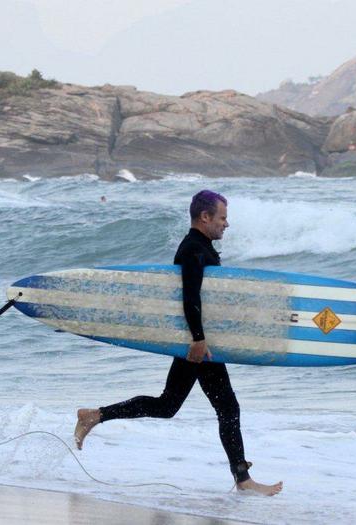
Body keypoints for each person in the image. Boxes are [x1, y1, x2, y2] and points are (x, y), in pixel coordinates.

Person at [73, 190, 283, 496]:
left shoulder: (202, 247)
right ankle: (243, 481)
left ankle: (95, 415)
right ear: (205, 217)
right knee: (226, 409)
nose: (227, 224)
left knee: (169, 404)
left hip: (195, 340)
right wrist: (198, 339)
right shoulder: (193, 250)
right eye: (222, 217)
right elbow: (190, 296)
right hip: (196, 343)